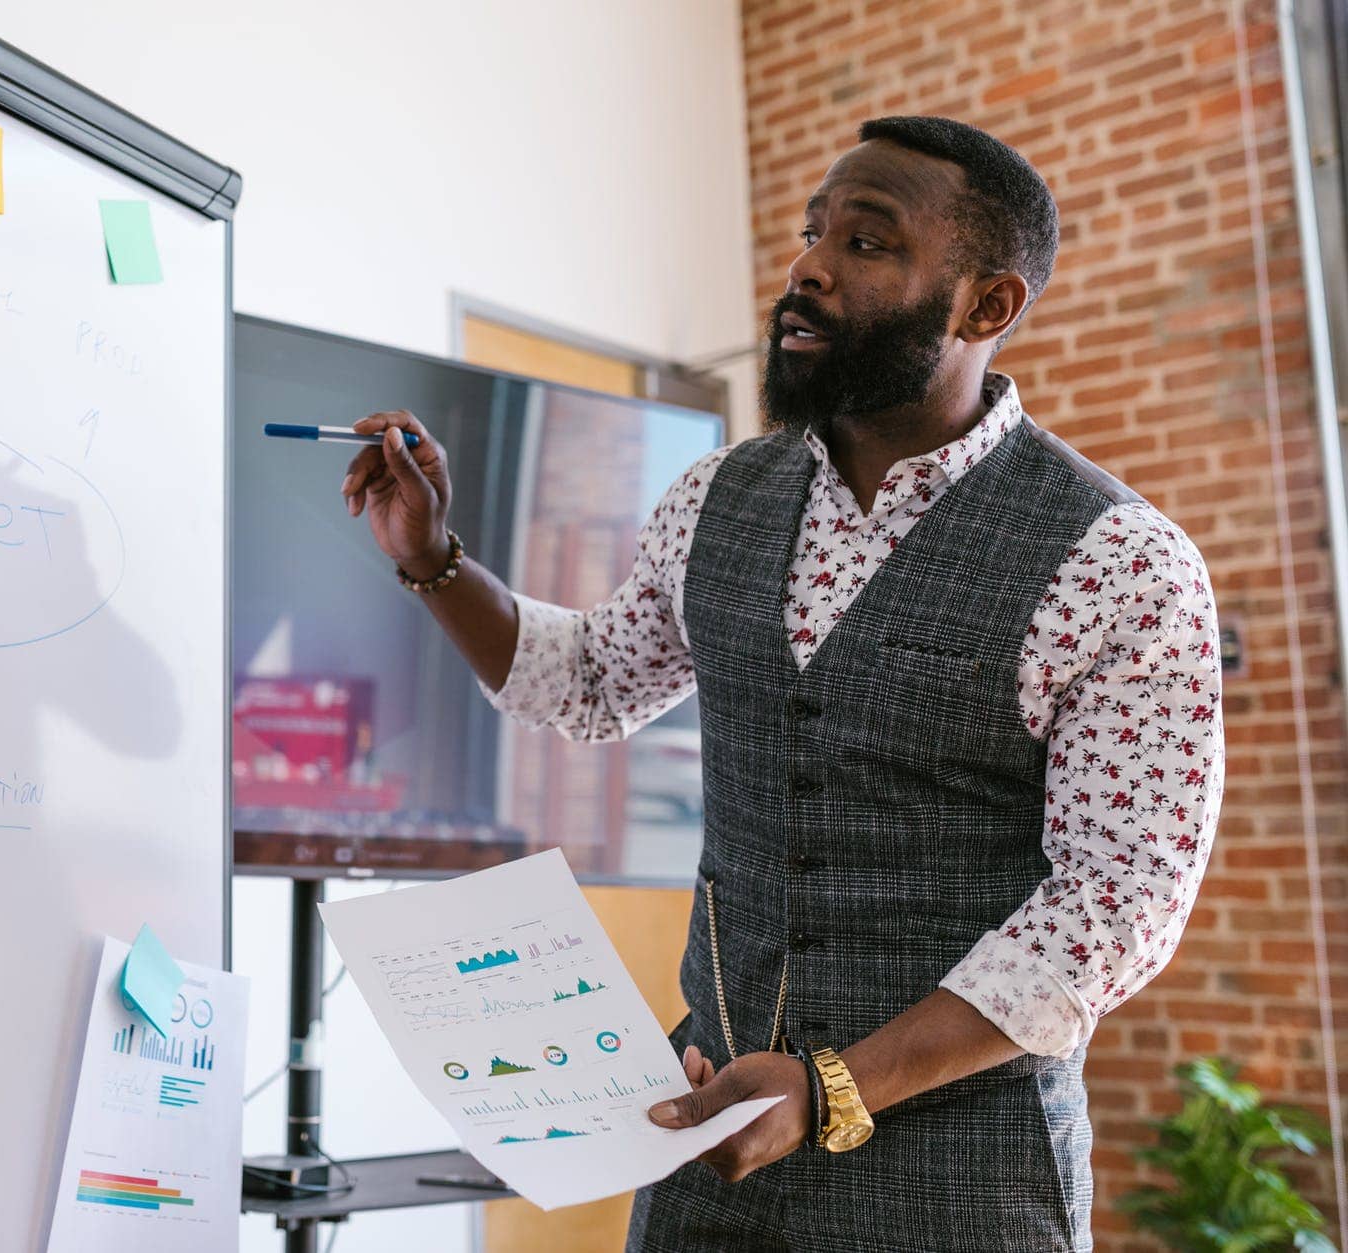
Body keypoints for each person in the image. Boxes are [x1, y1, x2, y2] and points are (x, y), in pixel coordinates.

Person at [332, 116, 1223, 1251]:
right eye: (811, 232)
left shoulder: (1121, 562)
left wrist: (831, 1086)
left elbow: (1113, 904)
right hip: (708, 1140)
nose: (806, 266)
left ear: (983, 308)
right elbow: (592, 681)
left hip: (962, 1175)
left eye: (865, 242)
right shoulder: (716, 497)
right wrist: (432, 559)